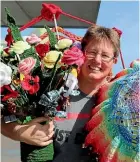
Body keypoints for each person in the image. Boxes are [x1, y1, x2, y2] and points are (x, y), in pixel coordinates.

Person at [1, 25, 120, 162]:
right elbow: (4, 121)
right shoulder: (50, 88)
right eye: (92, 52)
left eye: (105, 56)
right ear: (81, 53)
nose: (97, 60)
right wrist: (19, 132)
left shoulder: (115, 102)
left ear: (114, 62)